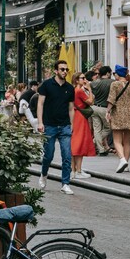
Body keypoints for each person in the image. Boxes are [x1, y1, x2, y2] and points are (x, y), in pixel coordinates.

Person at [36, 60, 76, 195]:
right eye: (62, 69)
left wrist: (72, 124)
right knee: (48, 155)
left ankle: (65, 183)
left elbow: (71, 108)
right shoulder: (46, 85)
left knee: (67, 155)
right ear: (56, 71)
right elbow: (40, 104)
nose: (65, 72)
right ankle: (44, 174)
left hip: (65, 125)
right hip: (49, 125)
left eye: (66, 69)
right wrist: (40, 123)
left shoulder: (70, 88)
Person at [71, 72, 96, 179]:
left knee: (74, 143)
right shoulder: (79, 91)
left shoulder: (74, 90)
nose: (85, 80)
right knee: (80, 143)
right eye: (82, 78)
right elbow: (90, 102)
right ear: (77, 80)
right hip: (80, 117)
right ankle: (79, 171)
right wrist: (89, 89)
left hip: (75, 116)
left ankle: (74, 170)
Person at [90, 66, 114, 155]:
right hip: (105, 108)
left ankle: (101, 150)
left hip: (94, 107)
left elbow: (88, 88)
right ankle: (93, 141)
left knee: (97, 129)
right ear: (107, 73)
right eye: (110, 73)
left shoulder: (94, 83)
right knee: (108, 128)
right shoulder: (112, 82)